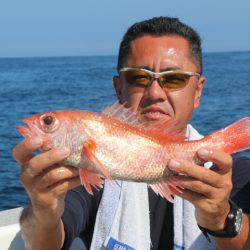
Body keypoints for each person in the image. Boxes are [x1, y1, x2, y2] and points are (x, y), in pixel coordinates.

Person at [13, 16, 250, 250]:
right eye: (139, 77)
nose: (155, 93)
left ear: (198, 92)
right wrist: (43, 209)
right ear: (119, 88)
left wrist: (223, 218)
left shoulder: (232, 174)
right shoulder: (81, 174)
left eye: (174, 79)